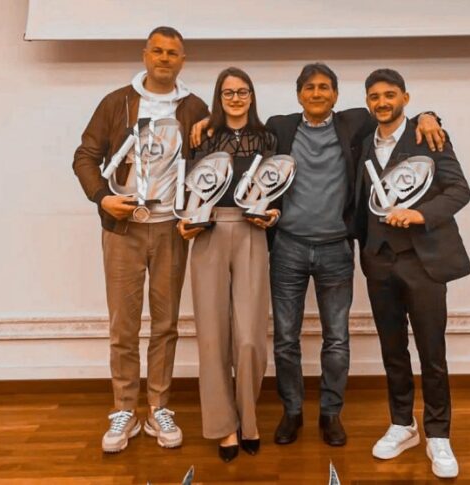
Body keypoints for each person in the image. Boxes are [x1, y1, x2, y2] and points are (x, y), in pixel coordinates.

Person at [261, 63, 444, 447]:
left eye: (324, 87)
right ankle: (292, 411)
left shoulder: (355, 123)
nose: (316, 93)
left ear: (336, 94)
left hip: (336, 248)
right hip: (288, 247)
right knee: (286, 339)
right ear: (299, 95)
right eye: (309, 87)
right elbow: (241, 135)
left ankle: (331, 414)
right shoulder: (279, 127)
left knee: (337, 339)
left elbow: (395, 115)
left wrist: (429, 116)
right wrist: (206, 122)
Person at [72, 26, 208, 453]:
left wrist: (195, 212)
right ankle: (124, 409)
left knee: (166, 325)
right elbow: (85, 156)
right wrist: (102, 197)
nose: (164, 58)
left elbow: (210, 165)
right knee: (123, 325)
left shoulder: (194, 106)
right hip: (124, 228)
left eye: (173, 53)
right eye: (158, 51)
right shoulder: (117, 102)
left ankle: (158, 407)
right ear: (145, 54)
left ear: (182, 61)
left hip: (171, 230)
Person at [354, 69, 470, 478]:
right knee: (393, 351)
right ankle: (403, 424)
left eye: (390, 95)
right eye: (374, 96)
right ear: (367, 102)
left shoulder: (428, 136)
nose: (382, 102)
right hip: (378, 260)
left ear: (405, 97)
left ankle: (438, 434)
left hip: (423, 261)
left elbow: (459, 190)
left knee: (431, 352)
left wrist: (420, 215)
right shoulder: (362, 142)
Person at [177, 67, 279, 462]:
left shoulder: (268, 137)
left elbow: (277, 188)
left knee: (250, 337)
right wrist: (185, 221)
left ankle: (249, 420)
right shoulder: (202, 136)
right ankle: (224, 427)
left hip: (252, 231)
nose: (236, 98)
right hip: (209, 232)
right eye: (228, 92)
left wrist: (274, 213)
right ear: (218, 97)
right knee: (212, 335)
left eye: (242, 91)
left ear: (252, 95)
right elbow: (188, 187)